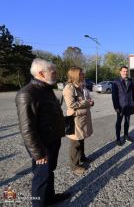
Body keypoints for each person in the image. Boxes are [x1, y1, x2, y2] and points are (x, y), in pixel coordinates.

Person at [15, 58, 71, 206]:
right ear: (41, 73)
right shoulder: (27, 94)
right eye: (53, 72)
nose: (56, 74)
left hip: (53, 139)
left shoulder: (46, 89)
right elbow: (27, 128)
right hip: (42, 144)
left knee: (49, 172)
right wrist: (38, 153)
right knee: (40, 178)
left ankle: (50, 198)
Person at [63, 66, 94, 175]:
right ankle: (74, 166)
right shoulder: (69, 88)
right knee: (75, 143)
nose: (83, 75)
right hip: (74, 119)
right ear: (75, 75)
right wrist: (86, 103)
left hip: (82, 118)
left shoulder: (81, 86)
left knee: (81, 139)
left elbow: (86, 100)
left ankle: (82, 158)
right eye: (81, 73)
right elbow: (71, 104)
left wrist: (90, 102)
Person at [112, 66, 134, 146]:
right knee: (119, 122)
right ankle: (118, 139)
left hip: (129, 105)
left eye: (126, 71)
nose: (125, 73)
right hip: (120, 106)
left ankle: (126, 136)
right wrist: (116, 106)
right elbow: (114, 96)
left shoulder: (130, 81)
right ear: (120, 72)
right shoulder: (116, 82)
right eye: (124, 71)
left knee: (127, 121)